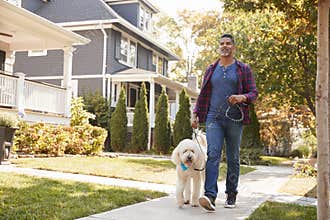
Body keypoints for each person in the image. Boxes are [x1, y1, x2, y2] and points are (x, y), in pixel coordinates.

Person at [191, 34, 258, 212]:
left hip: (235, 118)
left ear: (234, 47)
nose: (225, 46)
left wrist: (242, 97)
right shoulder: (211, 69)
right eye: (222, 44)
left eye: (228, 43)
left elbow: (253, 93)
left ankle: (231, 194)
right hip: (214, 118)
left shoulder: (243, 69)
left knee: (233, 157)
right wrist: (196, 114)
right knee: (213, 154)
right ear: (219, 47)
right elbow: (203, 93)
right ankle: (210, 195)